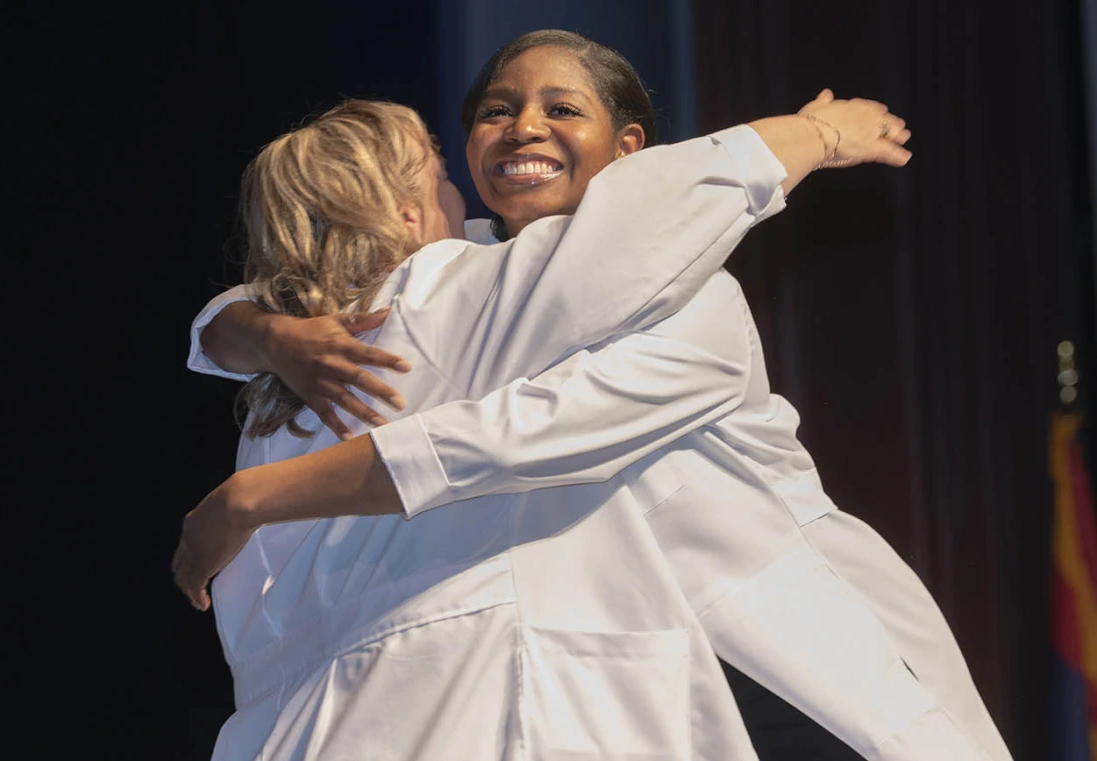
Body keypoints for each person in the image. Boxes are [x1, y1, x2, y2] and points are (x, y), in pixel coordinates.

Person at [176, 30, 1008, 761]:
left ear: (629, 154)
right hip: (621, 662)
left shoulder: (688, 295)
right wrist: (264, 332)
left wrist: (814, 135)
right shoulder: (456, 279)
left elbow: (520, 434)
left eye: (561, 108)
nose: (524, 126)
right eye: (497, 110)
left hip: (778, 656)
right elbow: (293, 291)